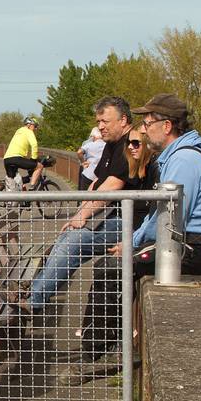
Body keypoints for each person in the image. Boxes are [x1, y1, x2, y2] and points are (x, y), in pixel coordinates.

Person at [60, 125, 159, 383]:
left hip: (151, 240)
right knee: (105, 266)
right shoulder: (138, 169)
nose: (132, 147)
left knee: (112, 270)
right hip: (137, 236)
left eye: (137, 143)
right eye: (130, 144)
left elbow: (158, 216)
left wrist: (131, 241)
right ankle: (100, 343)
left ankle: (98, 350)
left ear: (150, 144)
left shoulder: (155, 170)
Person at [23, 96, 134, 314]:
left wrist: (83, 216)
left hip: (130, 220)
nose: (100, 126)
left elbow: (111, 187)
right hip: (113, 215)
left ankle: (33, 302)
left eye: (105, 121)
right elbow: (96, 183)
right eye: (99, 121)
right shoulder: (111, 145)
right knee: (67, 236)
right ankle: (34, 290)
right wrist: (80, 214)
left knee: (74, 240)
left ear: (123, 120)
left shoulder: (130, 145)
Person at [126, 93, 201, 277]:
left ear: (167, 126)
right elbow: (158, 212)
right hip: (186, 243)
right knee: (113, 265)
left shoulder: (183, 160)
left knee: (111, 270)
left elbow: (168, 218)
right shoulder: (175, 157)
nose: (143, 131)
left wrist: (132, 243)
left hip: (194, 250)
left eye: (147, 124)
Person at [3, 116, 45, 190]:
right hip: (17, 158)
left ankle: (19, 199)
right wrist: (33, 159)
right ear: (29, 125)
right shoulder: (29, 131)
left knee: (16, 180)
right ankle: (32, 188)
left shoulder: (18, 131)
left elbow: (19, 147)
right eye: (35, 126)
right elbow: (34, 145)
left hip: (7, 159)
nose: (35, 129)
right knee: (39, 166)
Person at [77, 126, 105, 191]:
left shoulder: (89, 144)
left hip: (88, 174)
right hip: (100, 175)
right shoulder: (106, 145)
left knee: (84, 196)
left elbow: (79, 152)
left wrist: (83, 162)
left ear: (94, 137)